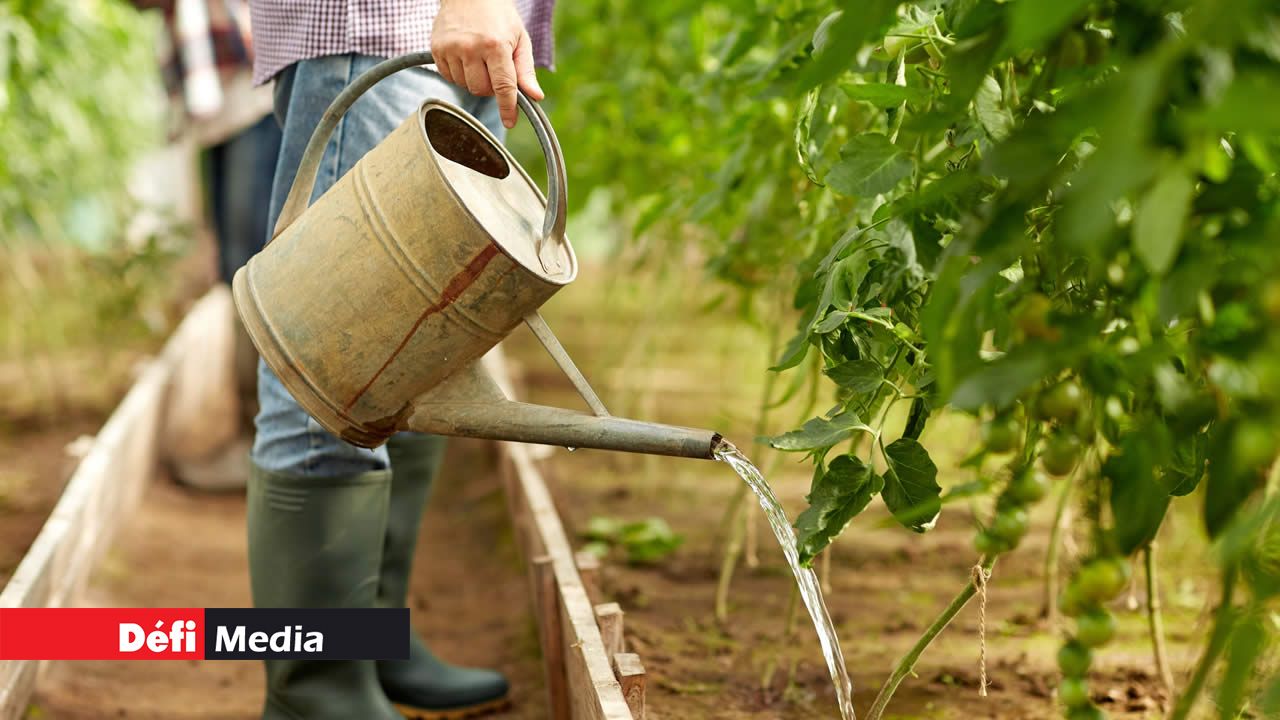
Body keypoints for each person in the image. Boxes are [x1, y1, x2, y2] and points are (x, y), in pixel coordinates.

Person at [243, 1, 555, 718]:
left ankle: (370, 641)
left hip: (467, 26)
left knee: (412, 353)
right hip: (382, 22)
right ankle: (317, 691)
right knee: (335, 365)